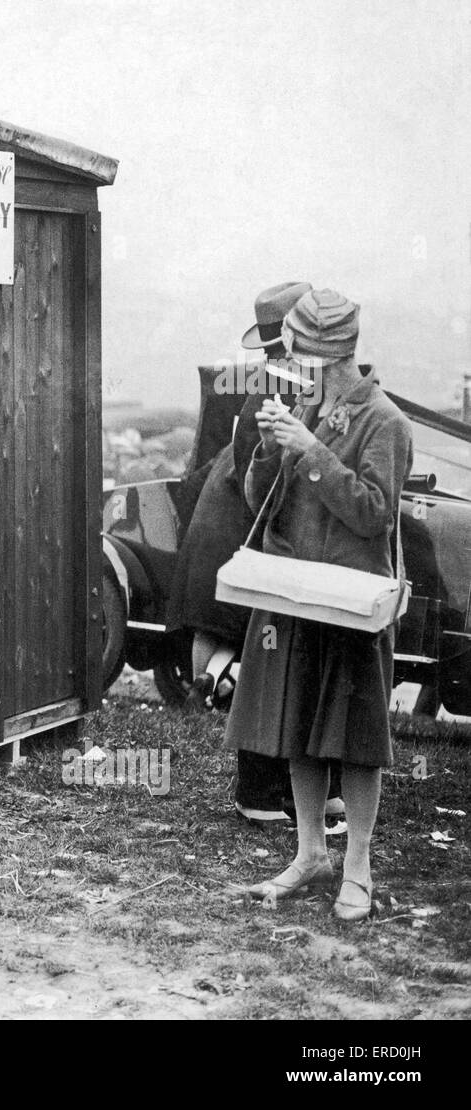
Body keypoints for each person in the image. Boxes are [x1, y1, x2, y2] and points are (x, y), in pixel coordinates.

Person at [227, 289, 412, 922]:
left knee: (356, 738)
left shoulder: (384, 422)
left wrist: (311, 449)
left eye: (295, 351)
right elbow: (259, 503)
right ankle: (311, 855)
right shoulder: (307, 406)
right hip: (296, 594)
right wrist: (270, 450)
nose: (287, 362)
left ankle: (356, 864)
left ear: (325, 355)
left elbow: (373, 513)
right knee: (299, 726)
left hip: (353, 602)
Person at [166, 282, 346, 826]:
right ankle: (263, 791)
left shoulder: (278, 385)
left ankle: (284, 791)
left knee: (273, 670)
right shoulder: (275, 392)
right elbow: (262, 492)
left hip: (239, 547)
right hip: (245, 550)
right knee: (262, 672)